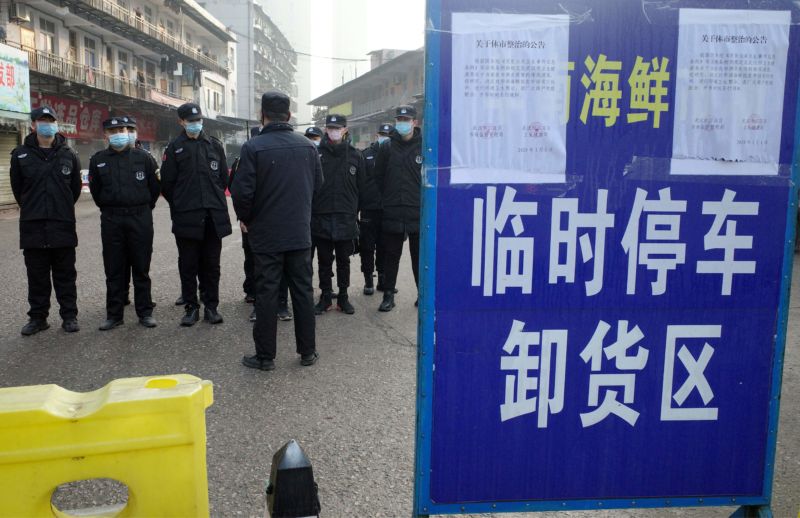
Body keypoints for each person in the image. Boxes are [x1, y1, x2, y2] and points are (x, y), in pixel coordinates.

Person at [230, 91, 321, 371]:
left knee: (267, 293)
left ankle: (265, 356)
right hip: (298, 232)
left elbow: (242, 191)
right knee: (303, 292)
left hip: (266, 234)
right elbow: (318, 186)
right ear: (290, 116)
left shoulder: (253, 147)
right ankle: (308, 352)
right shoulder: (307, 147)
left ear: (262, 115)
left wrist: (246, 218)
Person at [10, 106, 82, 335]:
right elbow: (18, 189)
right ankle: (38, 318)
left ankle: (69, 316)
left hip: (62, 224)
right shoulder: (20, 155)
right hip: (33, 225)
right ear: (33, 125)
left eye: (50, 120)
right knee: (37, 276)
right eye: (42, 120)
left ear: (56, 124)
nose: (47, 124)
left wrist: (61, 206)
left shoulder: (69, 154)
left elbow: (75, 190)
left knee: (65, 275)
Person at [160, 103, 231, 326]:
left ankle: (211, 306)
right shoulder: (174, 148)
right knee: (188, 264)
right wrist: (183, 203)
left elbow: (223, 179)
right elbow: (167, 185)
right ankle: (191, 307)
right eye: (190, 121)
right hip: (187, 216)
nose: (195, 124)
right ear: (181, 122)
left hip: (213, 216)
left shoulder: (215, 146)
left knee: (212, 264)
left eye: (198, 120)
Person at [88, 116, 160, 330]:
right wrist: (111, 208)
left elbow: (155, 189)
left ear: (130, 133)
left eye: (124, 129)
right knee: (114, 269)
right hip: (112, 219)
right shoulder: (98, 160)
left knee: (141, 268)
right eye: (114, 130)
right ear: (106, 135)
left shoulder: (144, 158)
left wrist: (144, 208)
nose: (119, 134)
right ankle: (114, 314)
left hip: (140, 218)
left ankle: (145, 312)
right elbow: (96, 192)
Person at [312, 114, 364, 315]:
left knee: (344, 261)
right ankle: (325, 296)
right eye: (330, 127)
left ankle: (343, 296)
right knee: (324, 261)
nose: (334, 131)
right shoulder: (316, 154)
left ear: (345, 130)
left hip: (346, 217)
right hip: (321, 216)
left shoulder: (355, 155)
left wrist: (357, 214)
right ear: (325, 129)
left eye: (338, 127)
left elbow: (362, 189)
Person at [375, 105, 422, 312]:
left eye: (406, 119)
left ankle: (423, 295)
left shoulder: (425, 146)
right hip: (393, 209)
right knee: (391, 256)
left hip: (418, 210)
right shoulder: (387, 147)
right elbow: (378, 177)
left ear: (415, 122)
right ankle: (388, 295)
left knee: (419, 258)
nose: (402, 123)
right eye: (399, 119)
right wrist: (386, 200)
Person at [360, 123, 392, 295]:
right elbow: (359, 183)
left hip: (387, 209)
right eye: (381, 134)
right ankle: (368, 280)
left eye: (387, 135)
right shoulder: (365, 155)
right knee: (367, 246)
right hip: (368, 208)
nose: (384, 137)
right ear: (376, 136)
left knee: (384, 246)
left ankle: (383, 279)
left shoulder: (394, 155)